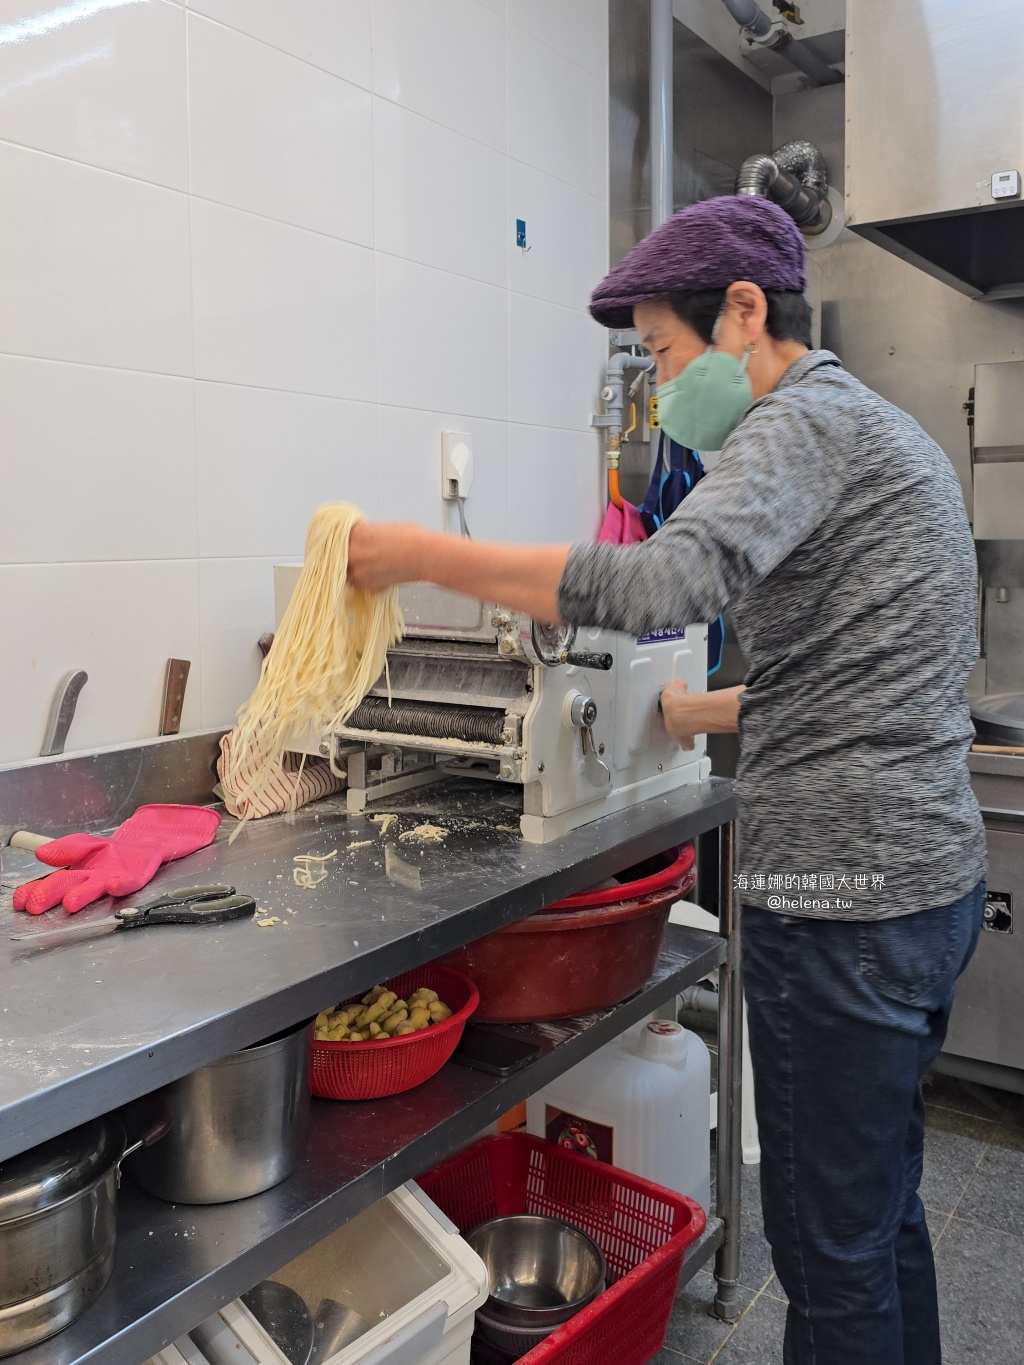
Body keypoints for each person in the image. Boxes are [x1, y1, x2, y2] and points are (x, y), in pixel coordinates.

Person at [348, 195, 987, 1365]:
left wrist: (423, 556)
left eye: (664, 353)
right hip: (923, 890)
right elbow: (890, 670)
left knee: (828, 1263)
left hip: (841, 905)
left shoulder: (796, 425)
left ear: (745, 311)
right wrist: (714, 709)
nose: (661, 383)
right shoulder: (880, 433)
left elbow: (656, 586)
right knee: (880, 1220)